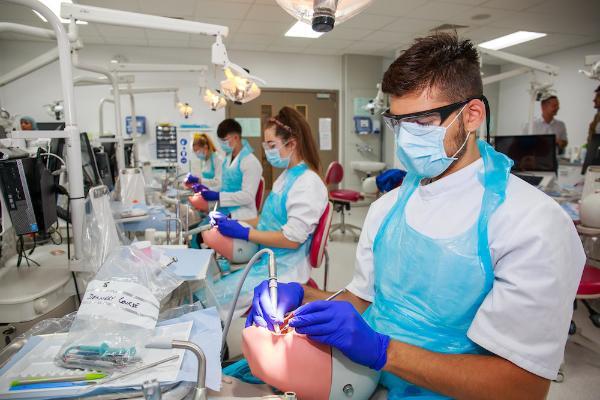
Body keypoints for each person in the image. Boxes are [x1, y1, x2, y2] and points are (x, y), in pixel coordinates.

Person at [246, 34, 585, 399]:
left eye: (421, 122)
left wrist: (383, 351)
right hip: (370, 383)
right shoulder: (386, 210)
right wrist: (303, 297)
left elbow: (523, 386)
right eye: (398, 123)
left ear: (472, 115)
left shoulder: (531, 224)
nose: (406, 138)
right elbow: (364, 300)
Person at [210, 107, 328, 317]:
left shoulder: (307, 183)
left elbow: (292, 239)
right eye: (266, 145)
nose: (267, 151)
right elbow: (267, 219)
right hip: (269, 260)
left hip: (286, 269)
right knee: (211, 290)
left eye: (272, 145)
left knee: (213, 300)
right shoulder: (287, 176)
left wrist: (246, 233)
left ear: (292, 143)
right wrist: (233, 221)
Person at [201, 119, 263, 220]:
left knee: (204, 232)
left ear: (236, 137)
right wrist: (208, 191)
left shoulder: (250, 162)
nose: (222, 144)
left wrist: (219, 196)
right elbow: (225, 185)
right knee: (201, 228)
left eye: (225, 141)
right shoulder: (227, 159)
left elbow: (247, 196)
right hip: (226, 209)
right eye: (220, 141)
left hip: (242, 214)